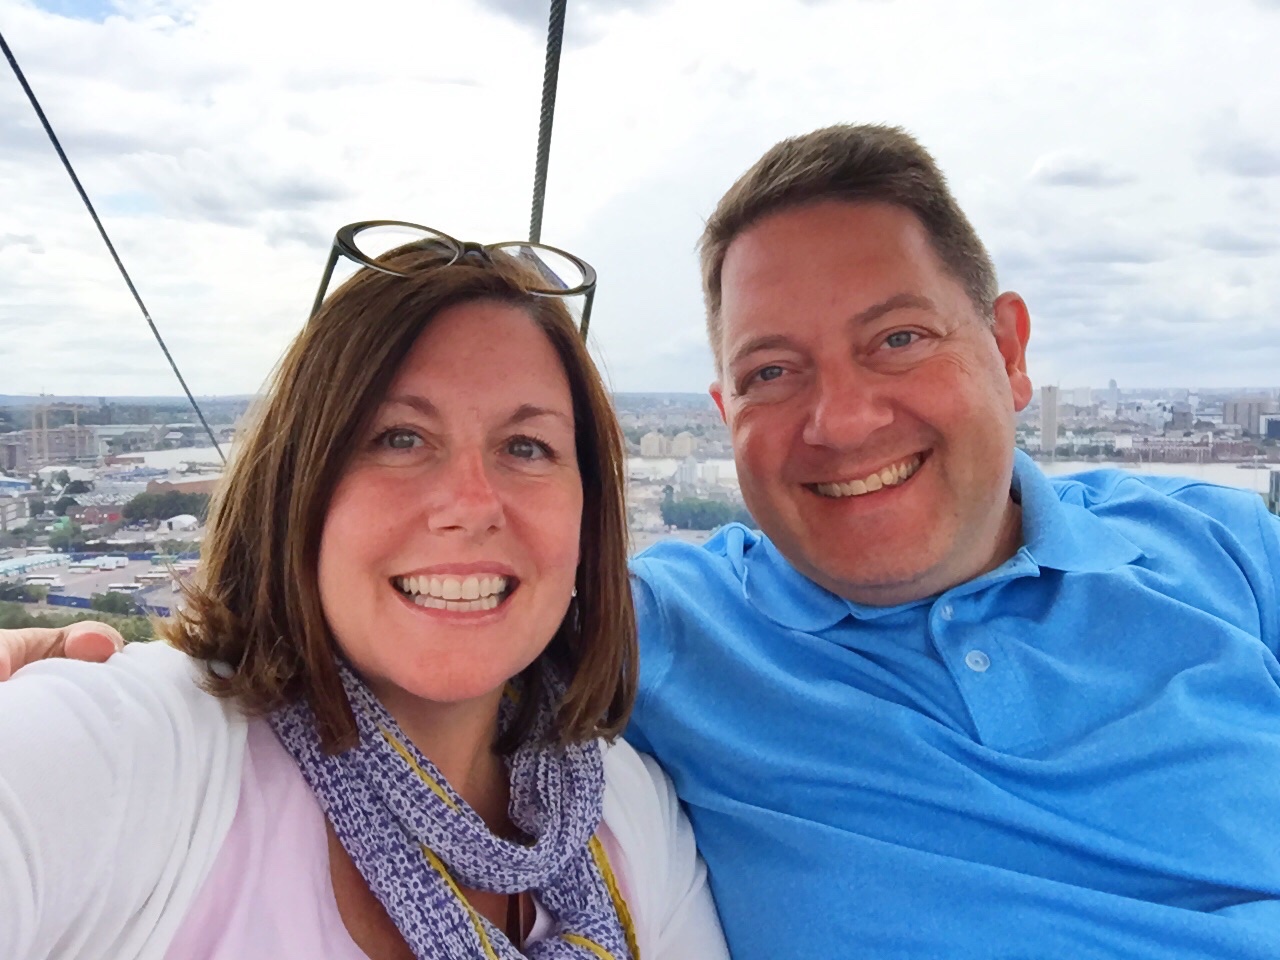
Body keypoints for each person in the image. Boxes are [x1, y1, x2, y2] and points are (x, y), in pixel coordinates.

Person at [9, 125, 1280, 959]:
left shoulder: (1222, 546)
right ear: (726, 420)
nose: (840, 419)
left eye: (897, 338)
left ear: (1004, 349)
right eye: (773, 370)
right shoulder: (664, 633)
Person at [0, 229, 727, 959]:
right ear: (297, 487)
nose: (471, 504)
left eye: (526, 447)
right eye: (399, 438)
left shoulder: (627, 812)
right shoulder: (140, 757)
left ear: (588, 516)